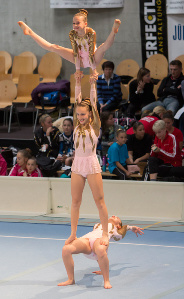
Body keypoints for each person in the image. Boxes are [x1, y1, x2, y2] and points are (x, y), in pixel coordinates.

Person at [65, 74, 109, 247]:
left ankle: (105, 232)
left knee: (99, 200)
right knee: (75, 201)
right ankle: (73, 233)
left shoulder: (95, 126)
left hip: (90, 163)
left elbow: (94, 101)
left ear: (90, 113)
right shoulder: (76, 124)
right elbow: (77, 101)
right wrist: (76, 81)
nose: (80, 117)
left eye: (83, 114)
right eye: (78, 114)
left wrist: (92, 85)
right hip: (78, 164)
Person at [18, 10, 121, 79]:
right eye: (73, 23)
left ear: (85, 24)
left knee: (103, 47)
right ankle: (30, 32)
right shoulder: (72, 34)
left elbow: (90, 52)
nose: (75, 25)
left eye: (78, 23)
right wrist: (77, 70)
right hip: (79, 58)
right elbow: (76, 52)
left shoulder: (91, 32)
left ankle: (113, 31)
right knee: (54, 47)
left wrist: (94, 70)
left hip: (93, 57)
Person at [58, 215, 144, 289]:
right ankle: (70, 279)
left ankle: (106, 280)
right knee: (66, 249)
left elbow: (124, 229)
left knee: (100, 250)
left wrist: (132, 228)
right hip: (86, 240)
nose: (114, 215)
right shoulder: (97, 225)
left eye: (117, 218)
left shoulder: (116, 231)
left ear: (118, 226)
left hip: (100, 240)